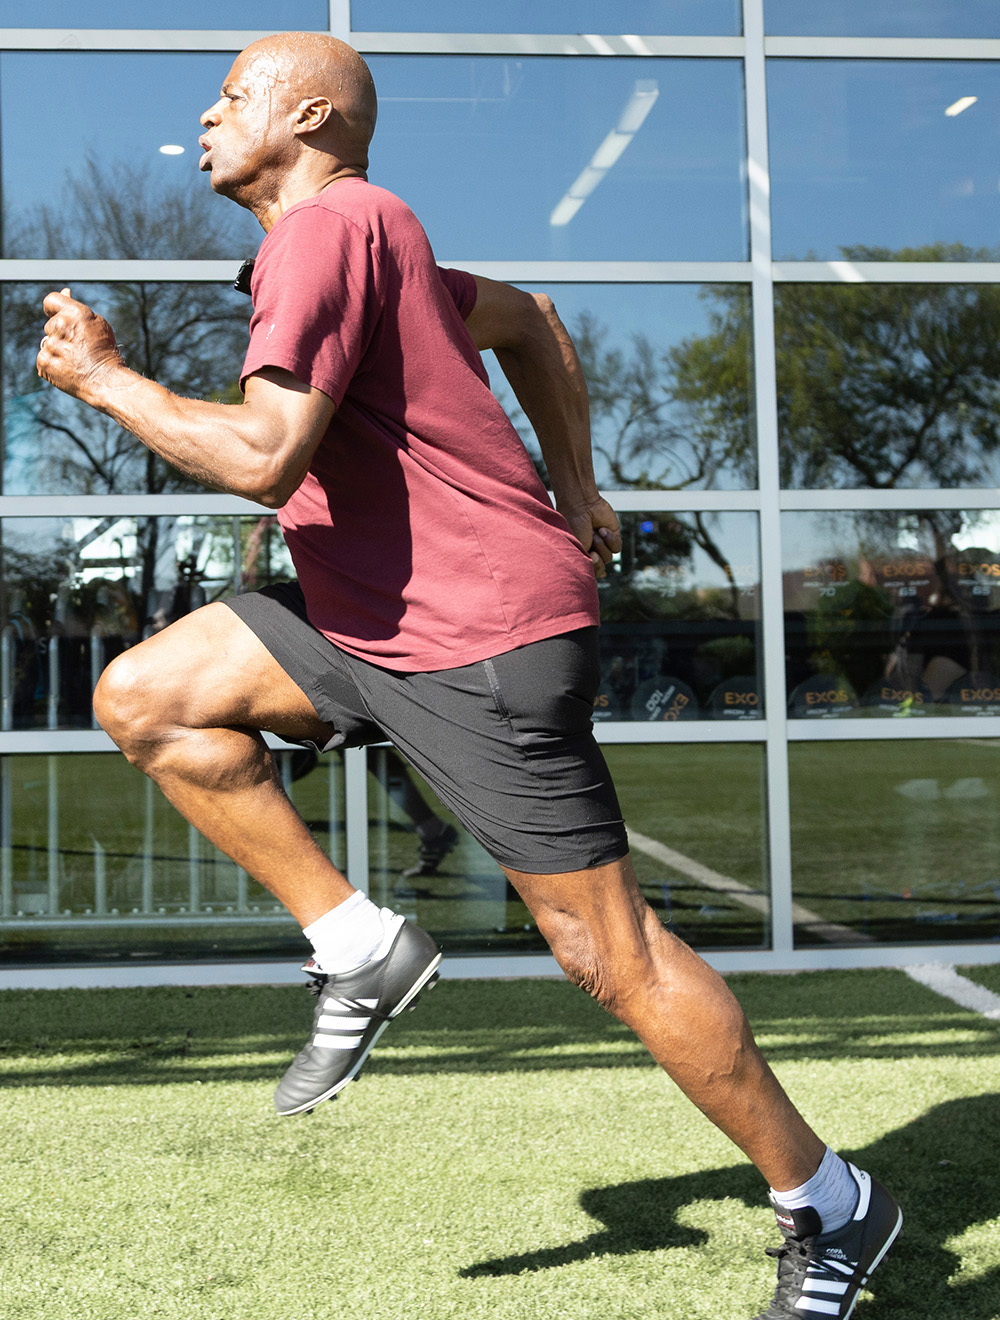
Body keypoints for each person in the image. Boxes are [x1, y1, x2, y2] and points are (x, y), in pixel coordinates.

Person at [36, 32, 901, 1319]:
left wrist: (104, 380)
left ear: (311, 117)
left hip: (477, 638)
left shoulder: (326, 230)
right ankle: (358, 944)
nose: (205, 117)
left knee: (608, 953)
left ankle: (830, 1203)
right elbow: (532, 322)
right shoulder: (370, 242)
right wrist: (577, 486)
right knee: (149, 697)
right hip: (373, 621)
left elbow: (265, 456)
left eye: (230, 96)